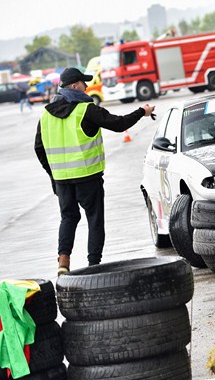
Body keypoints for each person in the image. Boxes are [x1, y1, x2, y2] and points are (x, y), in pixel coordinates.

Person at [34, 67, 155, 275]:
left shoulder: (46, 115)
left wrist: (54, 175)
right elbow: (119, 124)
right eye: (83, 83)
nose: (87, 87)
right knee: (94, 219)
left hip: (62, 180)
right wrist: (142, 112)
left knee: (68, 218)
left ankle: (63, 261)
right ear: (74, 86)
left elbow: (39, 148)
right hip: (88, 177)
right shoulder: (86, 109)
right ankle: (94, 266)